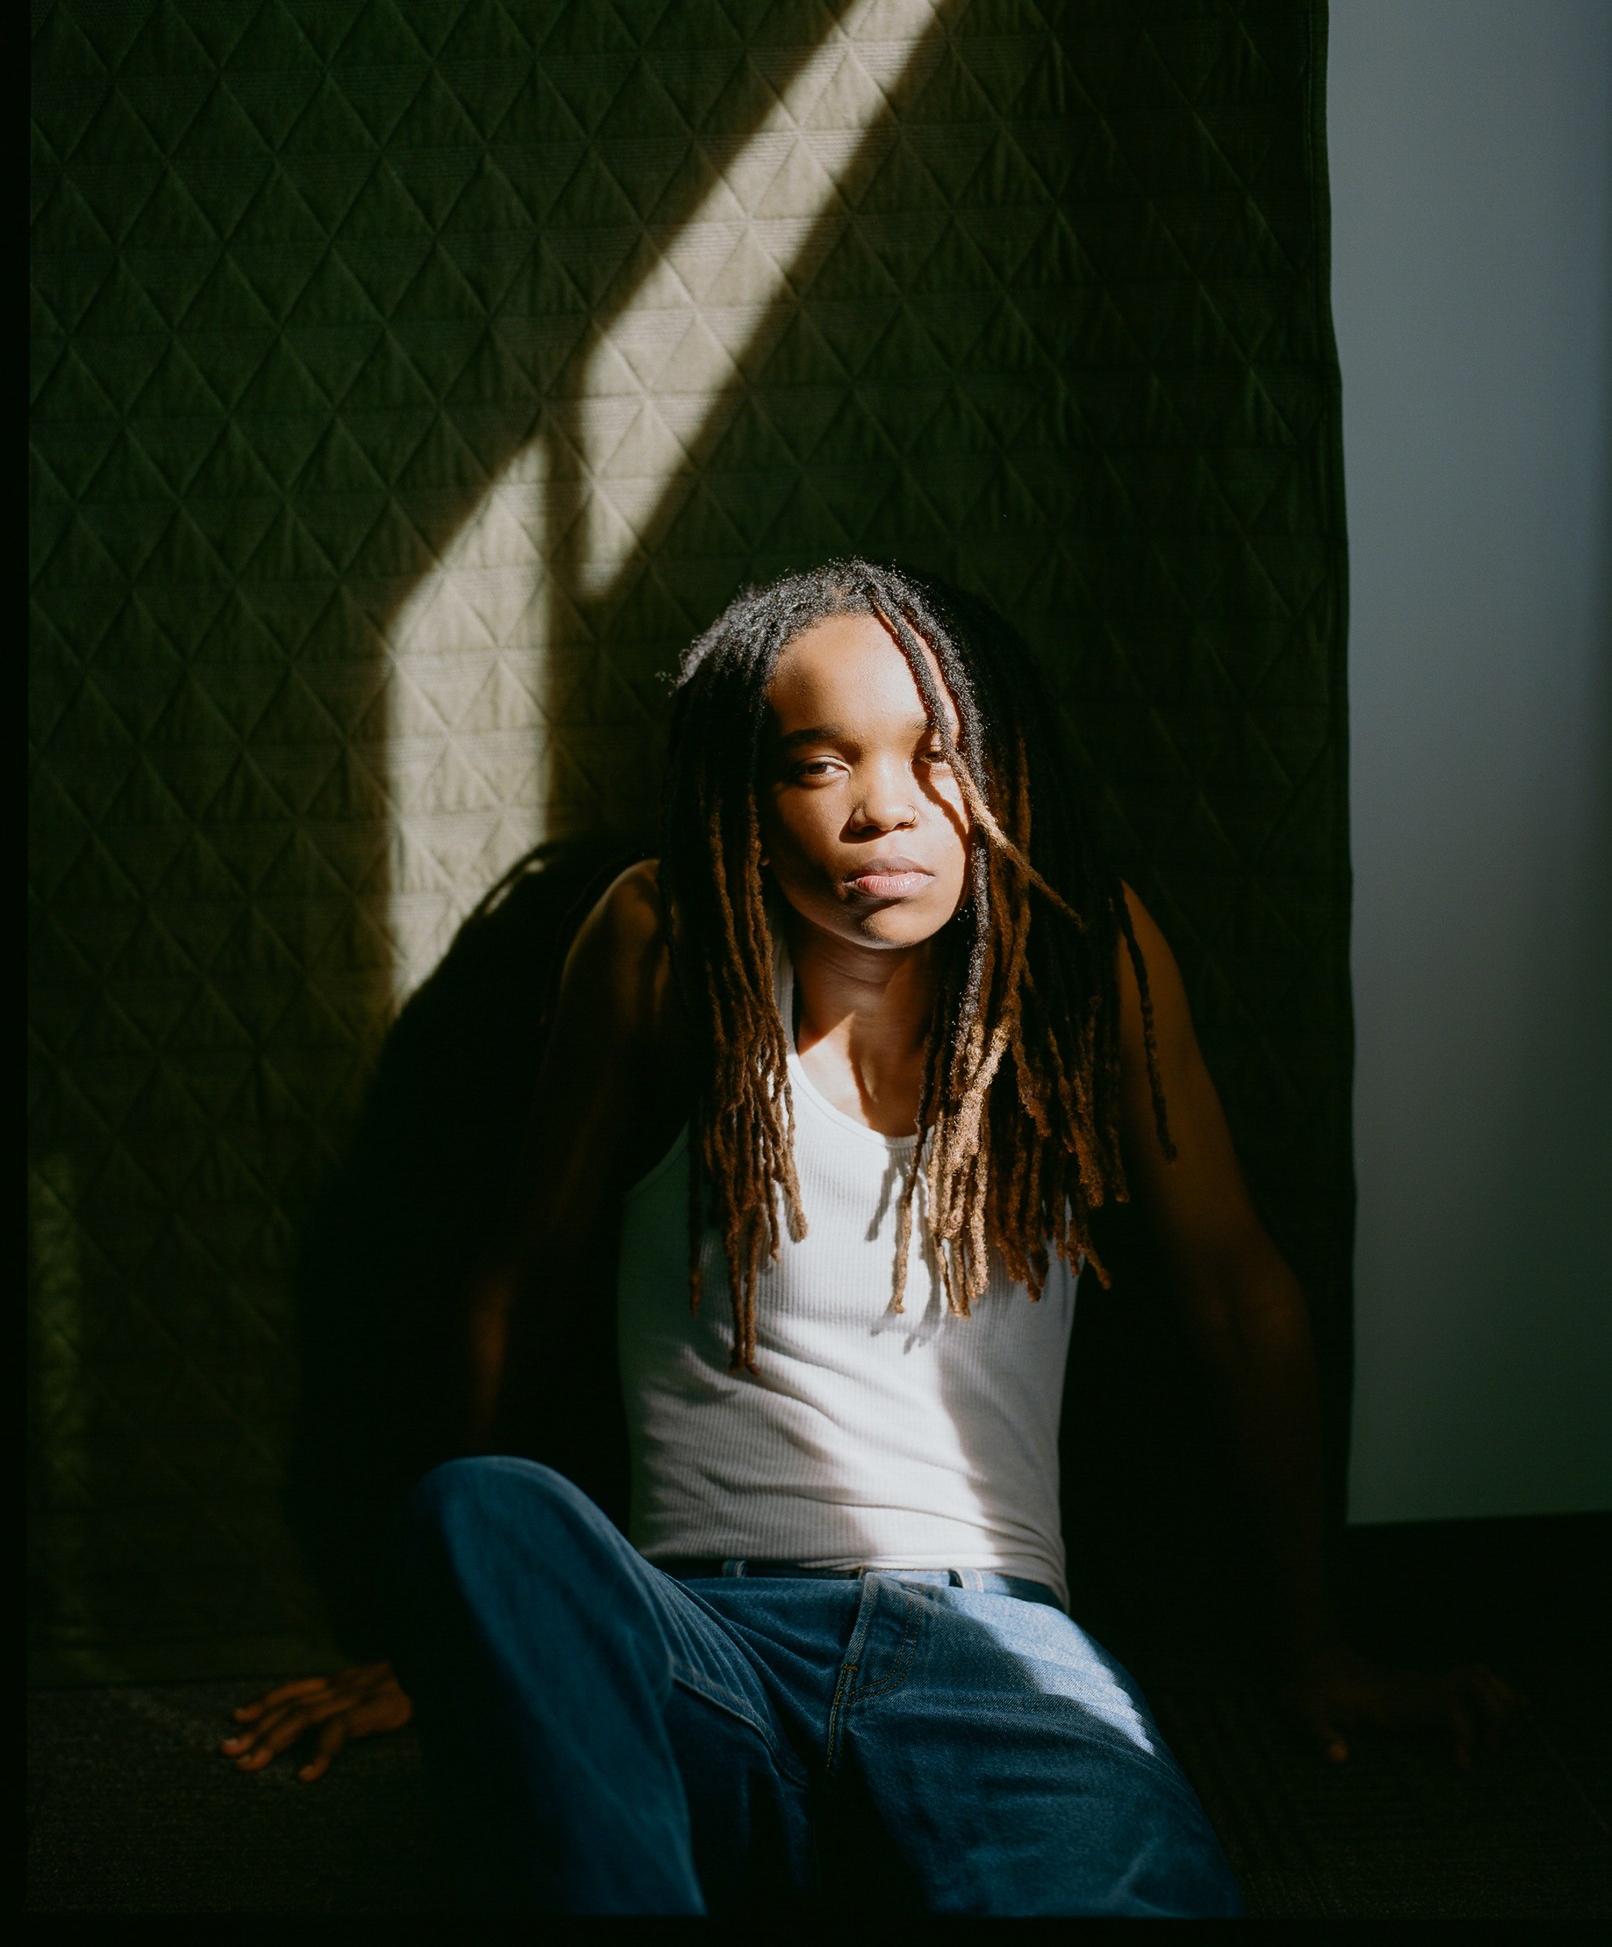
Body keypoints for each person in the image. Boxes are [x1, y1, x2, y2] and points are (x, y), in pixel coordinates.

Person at [221, 561, 1516, 1915]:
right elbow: (518, 1280)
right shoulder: (666, 947)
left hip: (994, 1653)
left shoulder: (1087, 961)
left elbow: (1241, 1296)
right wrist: (451, 1644)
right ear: (748, 799)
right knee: (481, 1512)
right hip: (695, 1646)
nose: (883, 808)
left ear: (1001, 771)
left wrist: (1319, 1647)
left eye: (936, 754)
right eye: (818, 765)